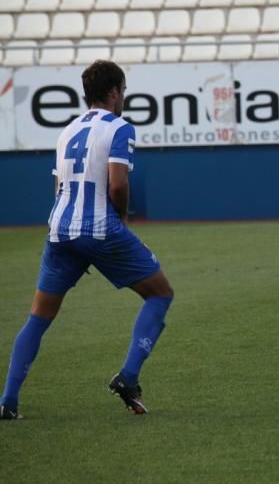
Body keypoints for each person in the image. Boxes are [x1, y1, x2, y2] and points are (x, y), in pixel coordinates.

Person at [1, 60, 174, 419]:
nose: (123, 96)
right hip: (101, 228)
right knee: (160, 293)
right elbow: (117, 183)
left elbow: (58, 185)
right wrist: (122, 220)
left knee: (38, 317)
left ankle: (8, 401)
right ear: (113, 92)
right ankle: (128, 377)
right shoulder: (120, 127)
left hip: (59, 231)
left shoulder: (67, 130)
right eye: (123, 90)